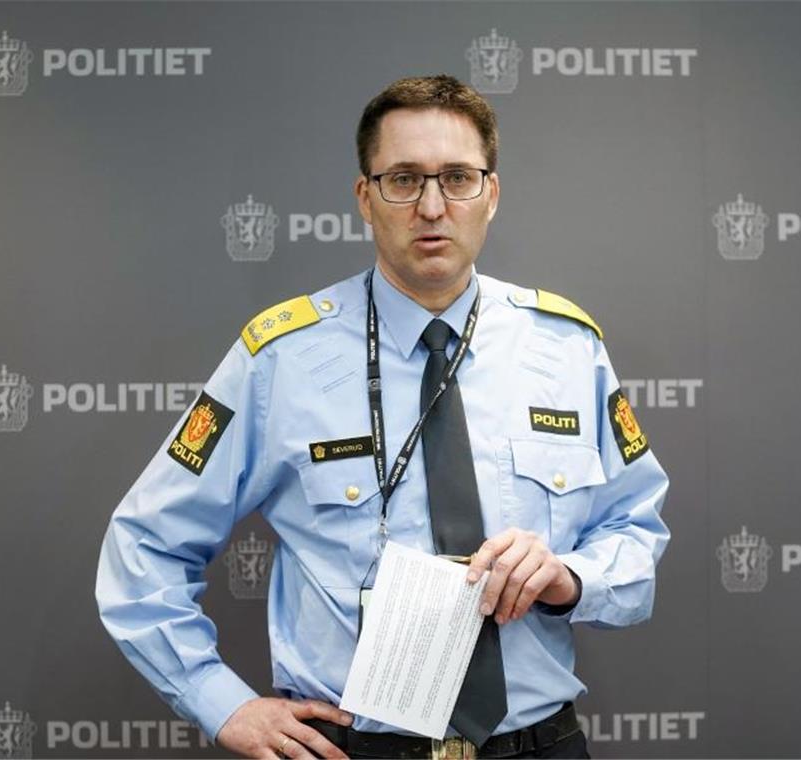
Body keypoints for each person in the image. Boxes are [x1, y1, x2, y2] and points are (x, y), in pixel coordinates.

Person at [96, 74, 670, 759]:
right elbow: (144, 546)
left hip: (538, 746)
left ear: (492, 194)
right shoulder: (282, 357)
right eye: (403, 179)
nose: (432, 206)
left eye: (458, 178)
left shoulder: (567, 348)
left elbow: (636, 536)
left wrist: (569, 580)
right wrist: (222, 704)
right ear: (364, 199)